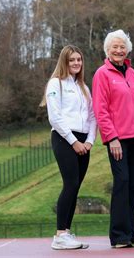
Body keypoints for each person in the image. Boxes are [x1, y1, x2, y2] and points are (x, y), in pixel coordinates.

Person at [92, 29, 134, 248]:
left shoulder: (133, 74)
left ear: (127, 50)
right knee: (122, 182)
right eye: (114, 47)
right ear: (107, 50)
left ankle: (131, 234)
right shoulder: (101, 74)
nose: (118, 50)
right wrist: (111, 138)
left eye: (122, 46)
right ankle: (118, 235)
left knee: (133, 185)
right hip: (118, 140)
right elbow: (101, 109)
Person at [40, 45, 96, 250]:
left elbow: (92, 116)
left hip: (84, 141)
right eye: (72, 60)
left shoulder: (84, 87)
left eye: (79, 60)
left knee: (76, 187)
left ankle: (67, 232)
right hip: (65, 139)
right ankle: (60, 234)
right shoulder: (56, 83)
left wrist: (89, 141)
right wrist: (74, 142)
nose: (76, 63)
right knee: (70, 183)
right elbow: (54, 117)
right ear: (64, 61)